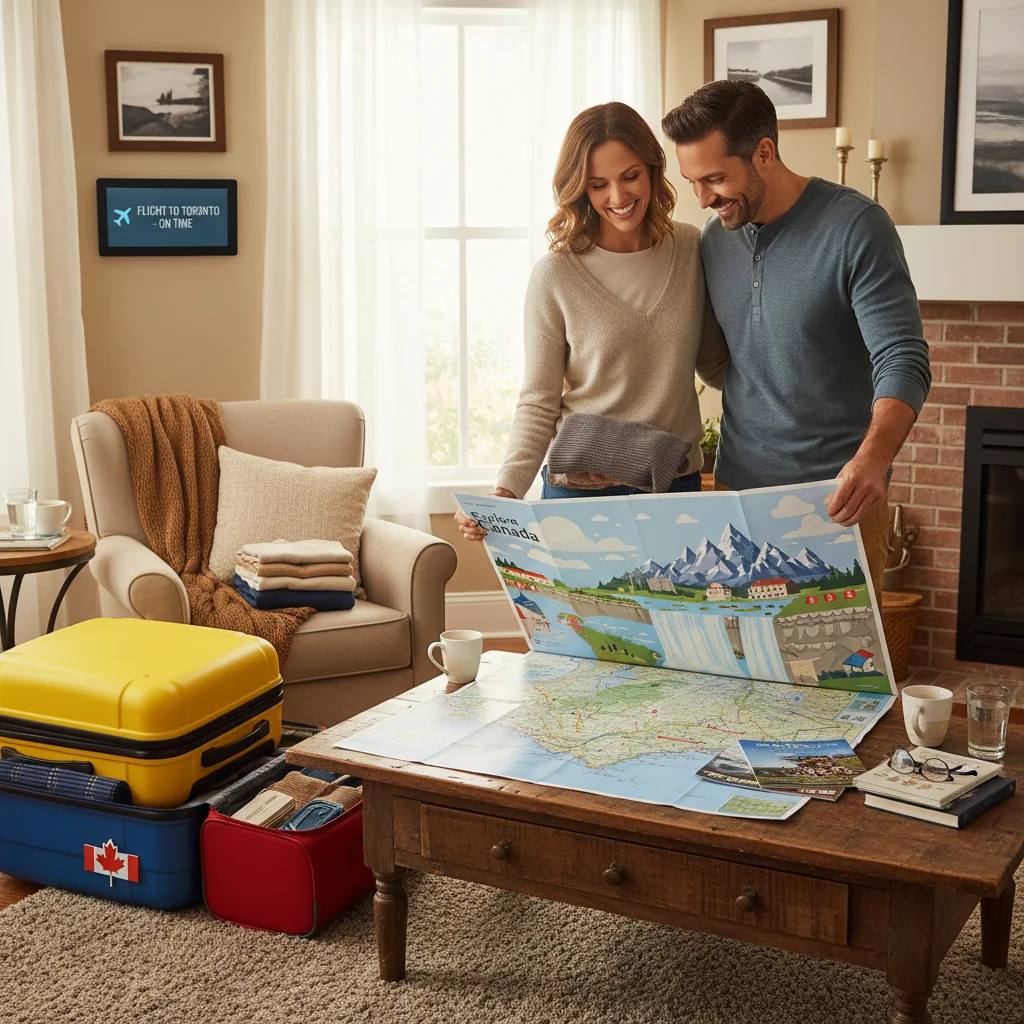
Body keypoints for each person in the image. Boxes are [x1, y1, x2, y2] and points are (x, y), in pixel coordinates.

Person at [661, 81, 931, 598]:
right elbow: (733, 360)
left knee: (840, 674)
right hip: (738, 506)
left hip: (838, 505)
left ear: (764, 153)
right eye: (692, 181)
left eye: (715, 178)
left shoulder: (857, 227)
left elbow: (903, 356)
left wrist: (873, 459)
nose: (702, 198)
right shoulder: (716, 240)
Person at [456, 101, 727, 541]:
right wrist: (506, 491)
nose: (618, 198)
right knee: (583, 612)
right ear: (580, 189)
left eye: (630, 176)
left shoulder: (692, 248)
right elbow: (539, 401)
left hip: (674, 490)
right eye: (598, 185)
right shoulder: (556, 274)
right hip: (580, 497)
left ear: (653, 170)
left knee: (680, 611)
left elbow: (718, 366)